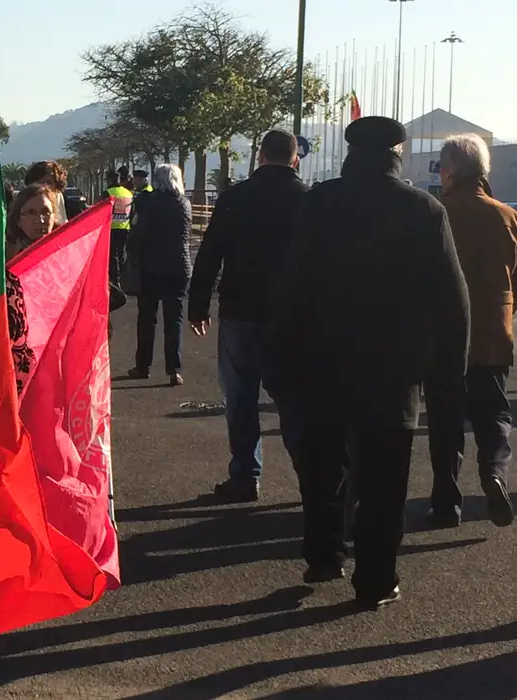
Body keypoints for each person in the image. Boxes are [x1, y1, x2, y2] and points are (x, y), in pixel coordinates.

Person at [273, 116, 469, 609]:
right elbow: (453, 298)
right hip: (394, 368)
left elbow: (292, 285)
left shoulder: (318, 203)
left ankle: (323, 553)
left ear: (350, 153)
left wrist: (281, 359)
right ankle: (376, 578)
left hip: (323, 361)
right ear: (398, 154)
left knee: (323, 465)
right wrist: (448, 371)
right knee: (384, 479)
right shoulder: (423, 209)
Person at [188, 129, 309, 503]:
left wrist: (197, 305)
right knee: (293, 399)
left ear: (259, 156)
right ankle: (311, 476)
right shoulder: (310, 200)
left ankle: (245, 474)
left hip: (240, 307)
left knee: (240, 396)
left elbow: (210, 254)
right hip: (292, 315)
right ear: (295, 159)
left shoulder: (235, 198)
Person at [426, 133, 517, 528]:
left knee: (445, 419)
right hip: (493, 331)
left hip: (444, 333)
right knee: (494, 410)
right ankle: (494, 472)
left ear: (449, 172)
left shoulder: (435, 213)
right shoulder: (507, 216)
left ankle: (446, 501)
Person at [125, 164, 191, 387]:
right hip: (178, 267)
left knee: (147, 319)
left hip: (151, 267)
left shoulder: (148, 202)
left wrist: (132, 254)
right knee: (175, 319)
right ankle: (174, 369)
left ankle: (143, 365)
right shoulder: (184, 204)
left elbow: (138, 234)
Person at [5, 183, 58, 259]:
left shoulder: (64, 253)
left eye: (46, 212)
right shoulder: (6, 257)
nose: (40, 220)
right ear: (18, 219)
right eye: (31, 213)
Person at [24, 160, 68, 225]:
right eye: (41, 183)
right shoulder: (22, 207)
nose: (45, 187)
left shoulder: (70, 208)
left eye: (49, 182)